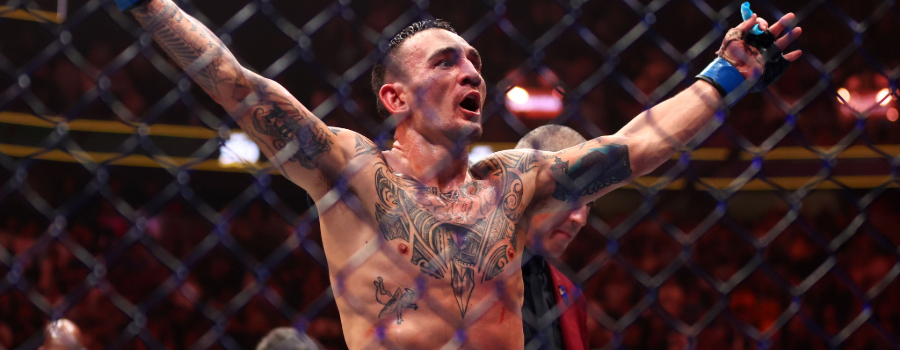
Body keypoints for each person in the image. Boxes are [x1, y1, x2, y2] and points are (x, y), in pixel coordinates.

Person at [116, 0, 802, 348]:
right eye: (445, 61)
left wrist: (726, 75)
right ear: (396, 98)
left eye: (474, 60)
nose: (471, 70)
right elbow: (239, 86)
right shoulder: (353, 174)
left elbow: (632, 147)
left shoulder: (516, 184)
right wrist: (151, 6)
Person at [515, 125, 590, 350]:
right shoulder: (464, 277)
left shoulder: (571, 295)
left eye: (591, 203)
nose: (581, 218)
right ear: (529, 185)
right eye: (571, 198)